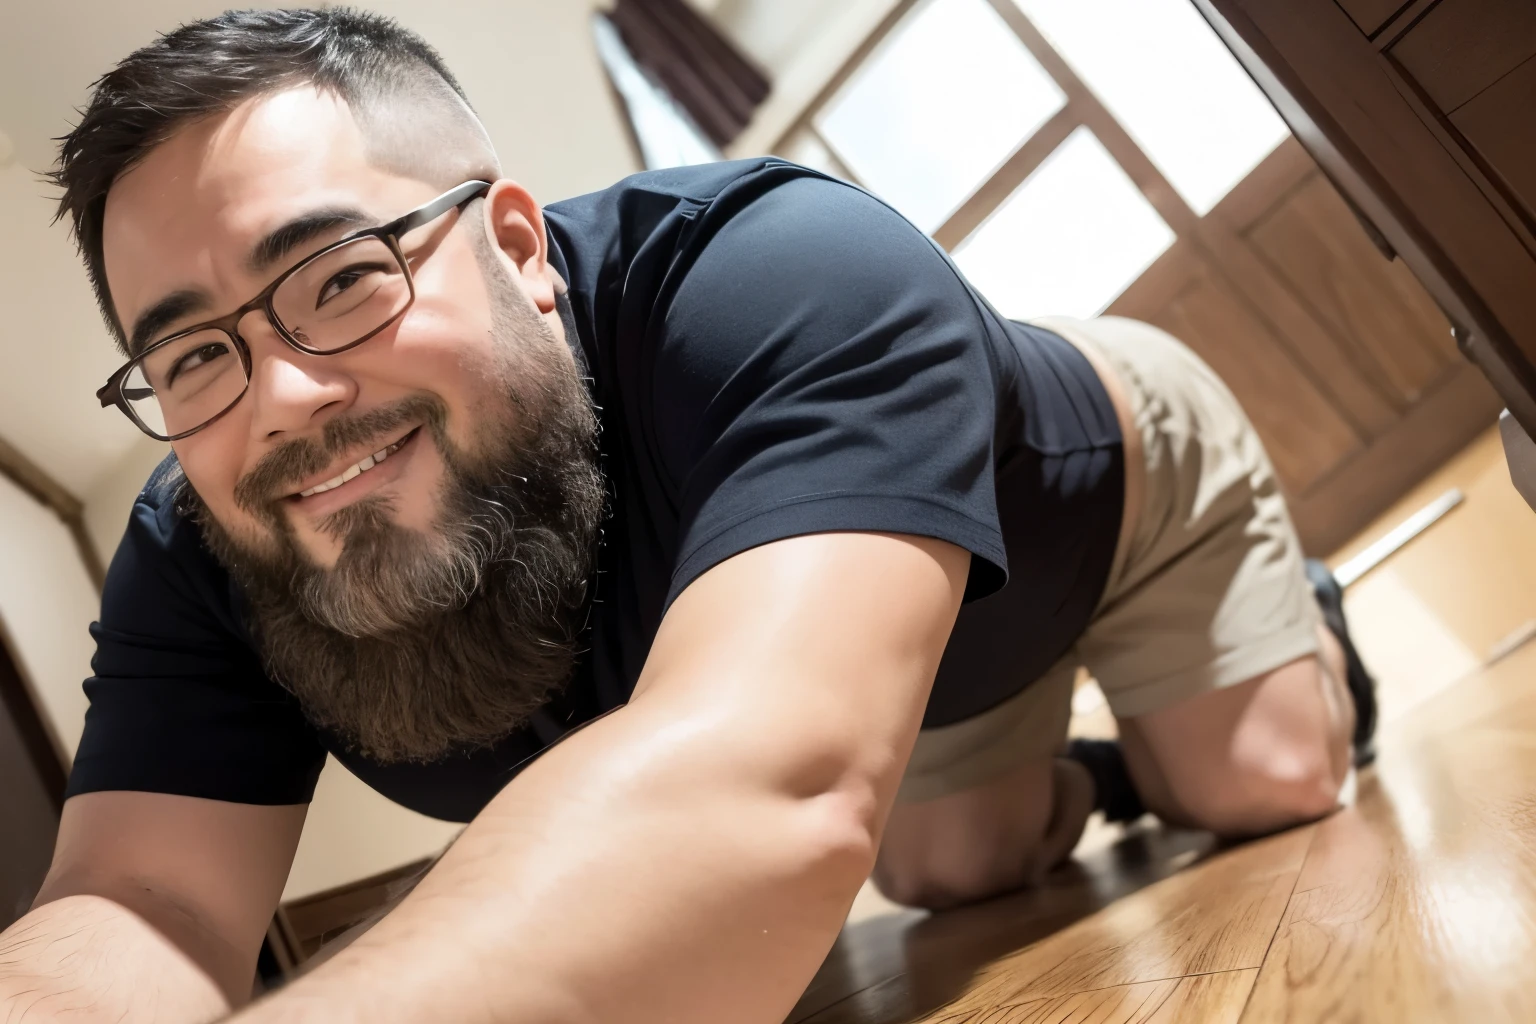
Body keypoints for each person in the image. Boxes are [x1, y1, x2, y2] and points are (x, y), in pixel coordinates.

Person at [0, 9, 1375, 1023]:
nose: (284, 398)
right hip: (925, 651)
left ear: (521, 250)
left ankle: (1294, 624)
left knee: (1262, 784)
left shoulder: (779, 266)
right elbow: (144, 903)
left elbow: (762, 785)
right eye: (190, 358)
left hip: (1117, 498)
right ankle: (1079, 765)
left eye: (338, 276)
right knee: (958, 868)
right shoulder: (209, 540)